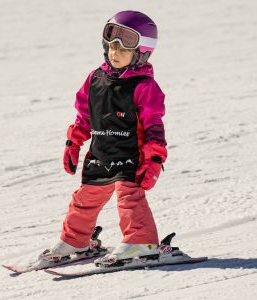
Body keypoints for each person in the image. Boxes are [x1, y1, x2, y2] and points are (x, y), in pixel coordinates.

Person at [44, 10, 168, 266]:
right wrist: (73, 142)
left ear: (142, 51)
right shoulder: (95, 79)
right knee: (84, 199)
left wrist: (154, 159)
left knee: (128, 198)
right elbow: (84, 116)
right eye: (111, 44)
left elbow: (154, 126)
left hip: (131, 156)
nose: (115, 51)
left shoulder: (144, 86)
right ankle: (75, 240)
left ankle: (141, 242)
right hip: (101, 154)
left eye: (125, 47)